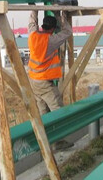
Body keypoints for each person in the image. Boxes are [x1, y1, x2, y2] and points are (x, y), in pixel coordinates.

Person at [28, 10, 74, 150]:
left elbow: (31, 23)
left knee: (43, 112)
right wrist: (61, 16)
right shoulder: (51, 40)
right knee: (58, 110)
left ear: (42, 26)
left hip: (33, 80)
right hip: (43, 82)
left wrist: (34, 9)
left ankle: (45, 142)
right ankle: (58, 142)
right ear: (53, 29)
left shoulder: (32, 35)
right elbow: (67, 32)